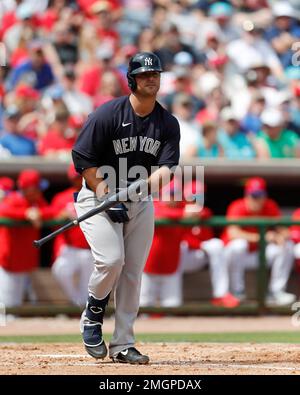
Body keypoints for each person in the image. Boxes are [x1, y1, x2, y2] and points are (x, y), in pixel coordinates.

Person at [72, 52, 180, 364]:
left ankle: (123, 345)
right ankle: (93, 312)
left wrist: (138, 190)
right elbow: (83, 158)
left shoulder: (167, 122)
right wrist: (108, 193)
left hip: (138, 199)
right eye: (145, 74)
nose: (151, 78)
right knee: (111, 260)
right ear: (131, 79)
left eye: (155, 73)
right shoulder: (107, 114)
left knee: (132, 272)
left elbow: (166, 169)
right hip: (96, 195)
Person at [222, 177, 296, 306]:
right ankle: (236, 291)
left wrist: (281, 236)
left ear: (264, 195)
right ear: (247, 195)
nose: (256, 199)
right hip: (235, 257)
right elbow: (232, 233)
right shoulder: (237, 206)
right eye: (253, 195)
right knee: (239, 245)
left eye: (259, 195)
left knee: (287, 246)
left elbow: (284, 230)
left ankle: (276, 292)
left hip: (257, 255)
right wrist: (262, 237)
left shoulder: (270, 205)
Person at [180, 180, 240, 308]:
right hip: (177, 260)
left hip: (197, 256)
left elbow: (207, 230)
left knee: (216, 244)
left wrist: (199, 215)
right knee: (181, 247)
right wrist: (184, 214)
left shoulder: (205, 213)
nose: (196, 200)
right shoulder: (179, 211)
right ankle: (165, 302)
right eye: (193, 196)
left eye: (199, 196)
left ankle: (221, 295)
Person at [0, 169, 53, 307]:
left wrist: (38, 213)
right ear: (28, 189)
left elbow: (52, 211)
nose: (40, 191)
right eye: (37, 188)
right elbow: (2, 210)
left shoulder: (37, 202)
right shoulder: (14, 199)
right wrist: (25, 213)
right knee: (6, 306)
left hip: (24, 261)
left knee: (16, 303)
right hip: (8, 262)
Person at [51, 164, 94, 306]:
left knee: (87, 286)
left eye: (80, 177)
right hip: (71, 248)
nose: (78, 180)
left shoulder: (96, 194)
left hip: (91, 248)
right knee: (60, 270)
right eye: (75, 177)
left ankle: (82, 310)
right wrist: (60, 216)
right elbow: (50, 219)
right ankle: (76, 303)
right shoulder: (61, 198)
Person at [140, 179, 185, 308]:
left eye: (176, 194)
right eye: (170, 193)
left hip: (171, 264)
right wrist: (182, 215)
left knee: (172, 305)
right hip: (148, 263)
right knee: (144, 305)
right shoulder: (152, 204)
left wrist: (182, 214)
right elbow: (159, 213)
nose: (173, 197)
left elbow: (204, 212)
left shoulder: (183, 206)